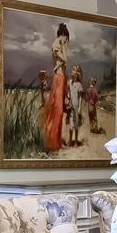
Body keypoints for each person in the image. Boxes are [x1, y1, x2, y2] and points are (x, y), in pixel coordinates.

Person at [41, 23, 69, 152]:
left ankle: (56, 141)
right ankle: (53, 141)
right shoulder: (57, 45)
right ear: (63, 35)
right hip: (58, 78)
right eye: (66, 38)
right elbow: (65, 59)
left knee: (59, 110)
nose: (66, 41)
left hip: (61, 78)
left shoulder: (58, 44)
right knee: (58, 110)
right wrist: (62, 45)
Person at [65, 65, 85, 146]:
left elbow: (80, 98)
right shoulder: (69, 82)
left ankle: (76, 141)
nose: (75, 72)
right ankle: (70, 140)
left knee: (76, 125)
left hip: (76, 107)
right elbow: (68, 93)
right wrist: (67, 100)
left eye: (76, 71)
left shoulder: (79, 85)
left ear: (78, 73)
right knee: (70, 124)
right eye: (73, 70)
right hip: (71, 107)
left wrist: (79, 107)